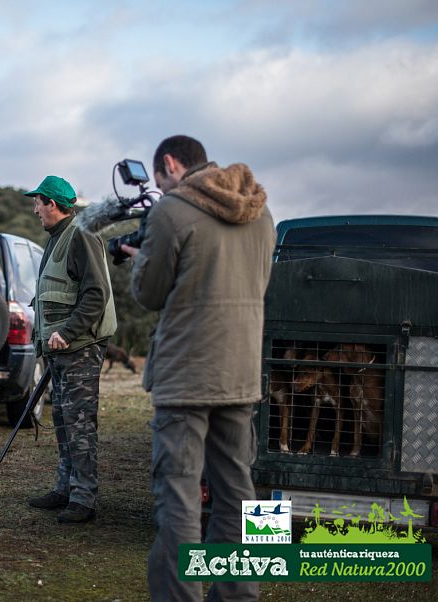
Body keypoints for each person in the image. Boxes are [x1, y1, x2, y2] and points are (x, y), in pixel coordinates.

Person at [122, 136, 275, 601]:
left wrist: (140, 260)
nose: (162, 187)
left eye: (160, 178)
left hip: (187, 376)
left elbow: (150, 294)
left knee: (180, 496)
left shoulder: (171, 212)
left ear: (170, 164)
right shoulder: (262, 213)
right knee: (239, 494)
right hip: (241, 372)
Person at [24, 175, 117, 524]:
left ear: (52, 204)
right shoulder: (58, 237)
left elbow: (96, 294)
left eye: (38, 203)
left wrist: (67, 331)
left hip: (80, 346)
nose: (35, 209)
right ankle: (65, 488)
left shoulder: (81, 235)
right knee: (63, 421)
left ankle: (83, 497)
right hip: (61, 349)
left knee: (79, 423)